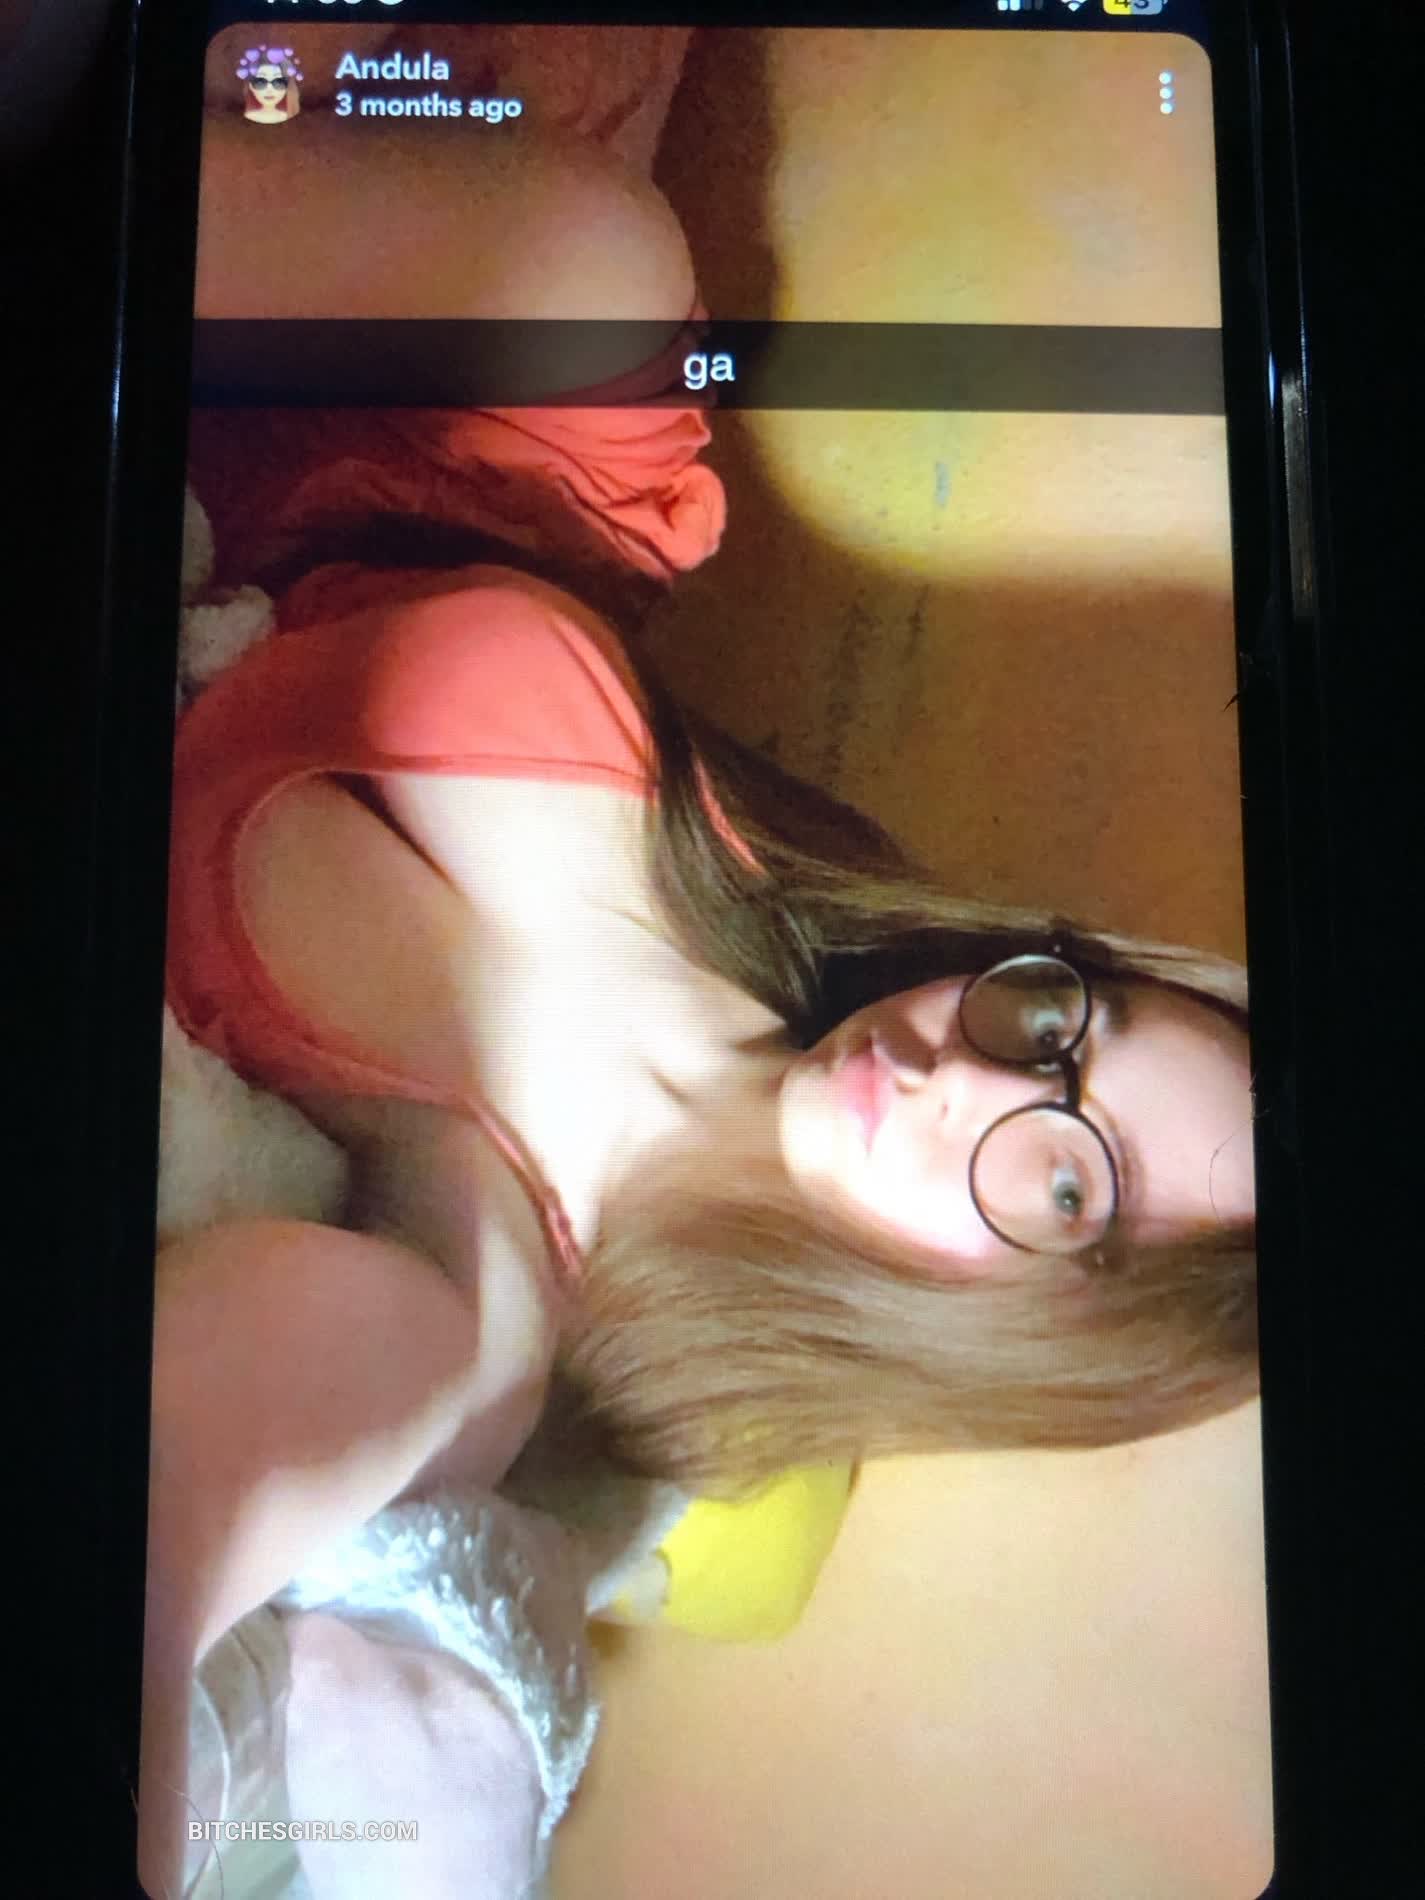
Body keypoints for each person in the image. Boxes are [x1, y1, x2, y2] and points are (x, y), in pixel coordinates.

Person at [141, 53, 1258, 1899]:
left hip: (234, 515)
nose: (975, 1076)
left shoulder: (483, 1314)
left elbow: (176, 1493)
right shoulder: (775, 907)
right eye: (1061, 1026)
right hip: (421, 498)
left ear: (1016, 1337)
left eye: (1063, 1184)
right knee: (600, 263)